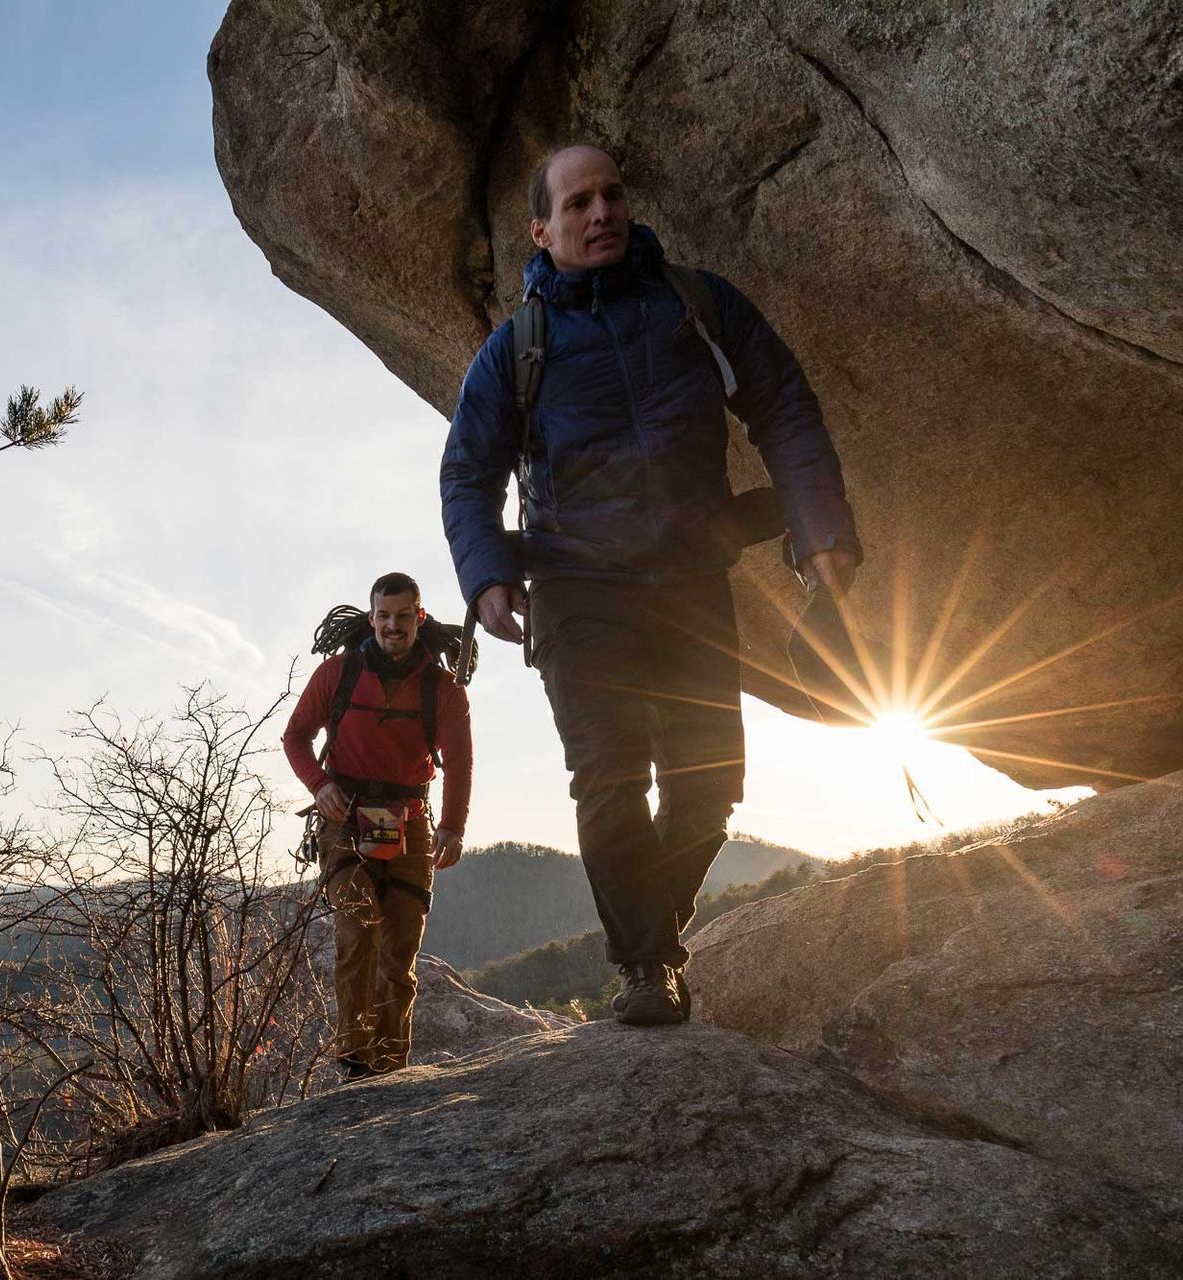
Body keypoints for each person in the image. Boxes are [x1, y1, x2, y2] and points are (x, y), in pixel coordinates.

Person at [439, 145, 862, 1026]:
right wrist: (485, 578)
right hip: (577, 588)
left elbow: (786, 407)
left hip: (690, 583)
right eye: (579, 203)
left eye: (613, 195)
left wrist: (822, 536)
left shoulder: (697, 305)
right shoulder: (515, 349)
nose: (602, 214)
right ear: (542, 230)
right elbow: (468, 472)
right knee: (611, 773)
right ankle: (645, 967)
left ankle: (652, 928)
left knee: (712, 786)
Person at [283, 572, 473, 1078]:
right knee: (358, 927)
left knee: (400, 949)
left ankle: (389, 1067)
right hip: (343, 816)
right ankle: (354, 1061)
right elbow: (296, 735)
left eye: (403, 616)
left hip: (410, 820)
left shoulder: (443, 688)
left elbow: (460, 761)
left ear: (420, 617)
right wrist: (319, 785)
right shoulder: (337, 674)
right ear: (371, 619)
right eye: (384, 616)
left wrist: (452, 826)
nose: (393, 626)